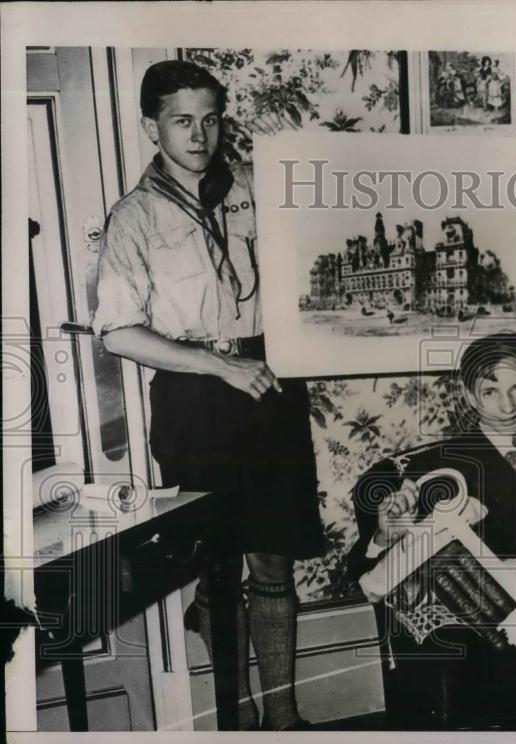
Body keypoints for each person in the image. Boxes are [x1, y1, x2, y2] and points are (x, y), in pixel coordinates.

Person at [92, 59, 325, 731]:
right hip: (196, 400)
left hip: (269, 388)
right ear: (151, 127)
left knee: (274, 562)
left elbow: (306, 279)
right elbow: (119, 334)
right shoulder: (133, 217)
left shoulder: (257, 191)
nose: (200, 134)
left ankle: (283, 715)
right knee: (220, 571)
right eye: (182, 120)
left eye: (211, 119)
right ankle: (238, 717)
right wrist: (215, 366)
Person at [345, 331, 516, 730]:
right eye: (491, 391)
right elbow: (368, 578)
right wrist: (388, 535)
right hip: (500, 629)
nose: (508, 405)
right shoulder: (437, 470)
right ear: (469, 395)